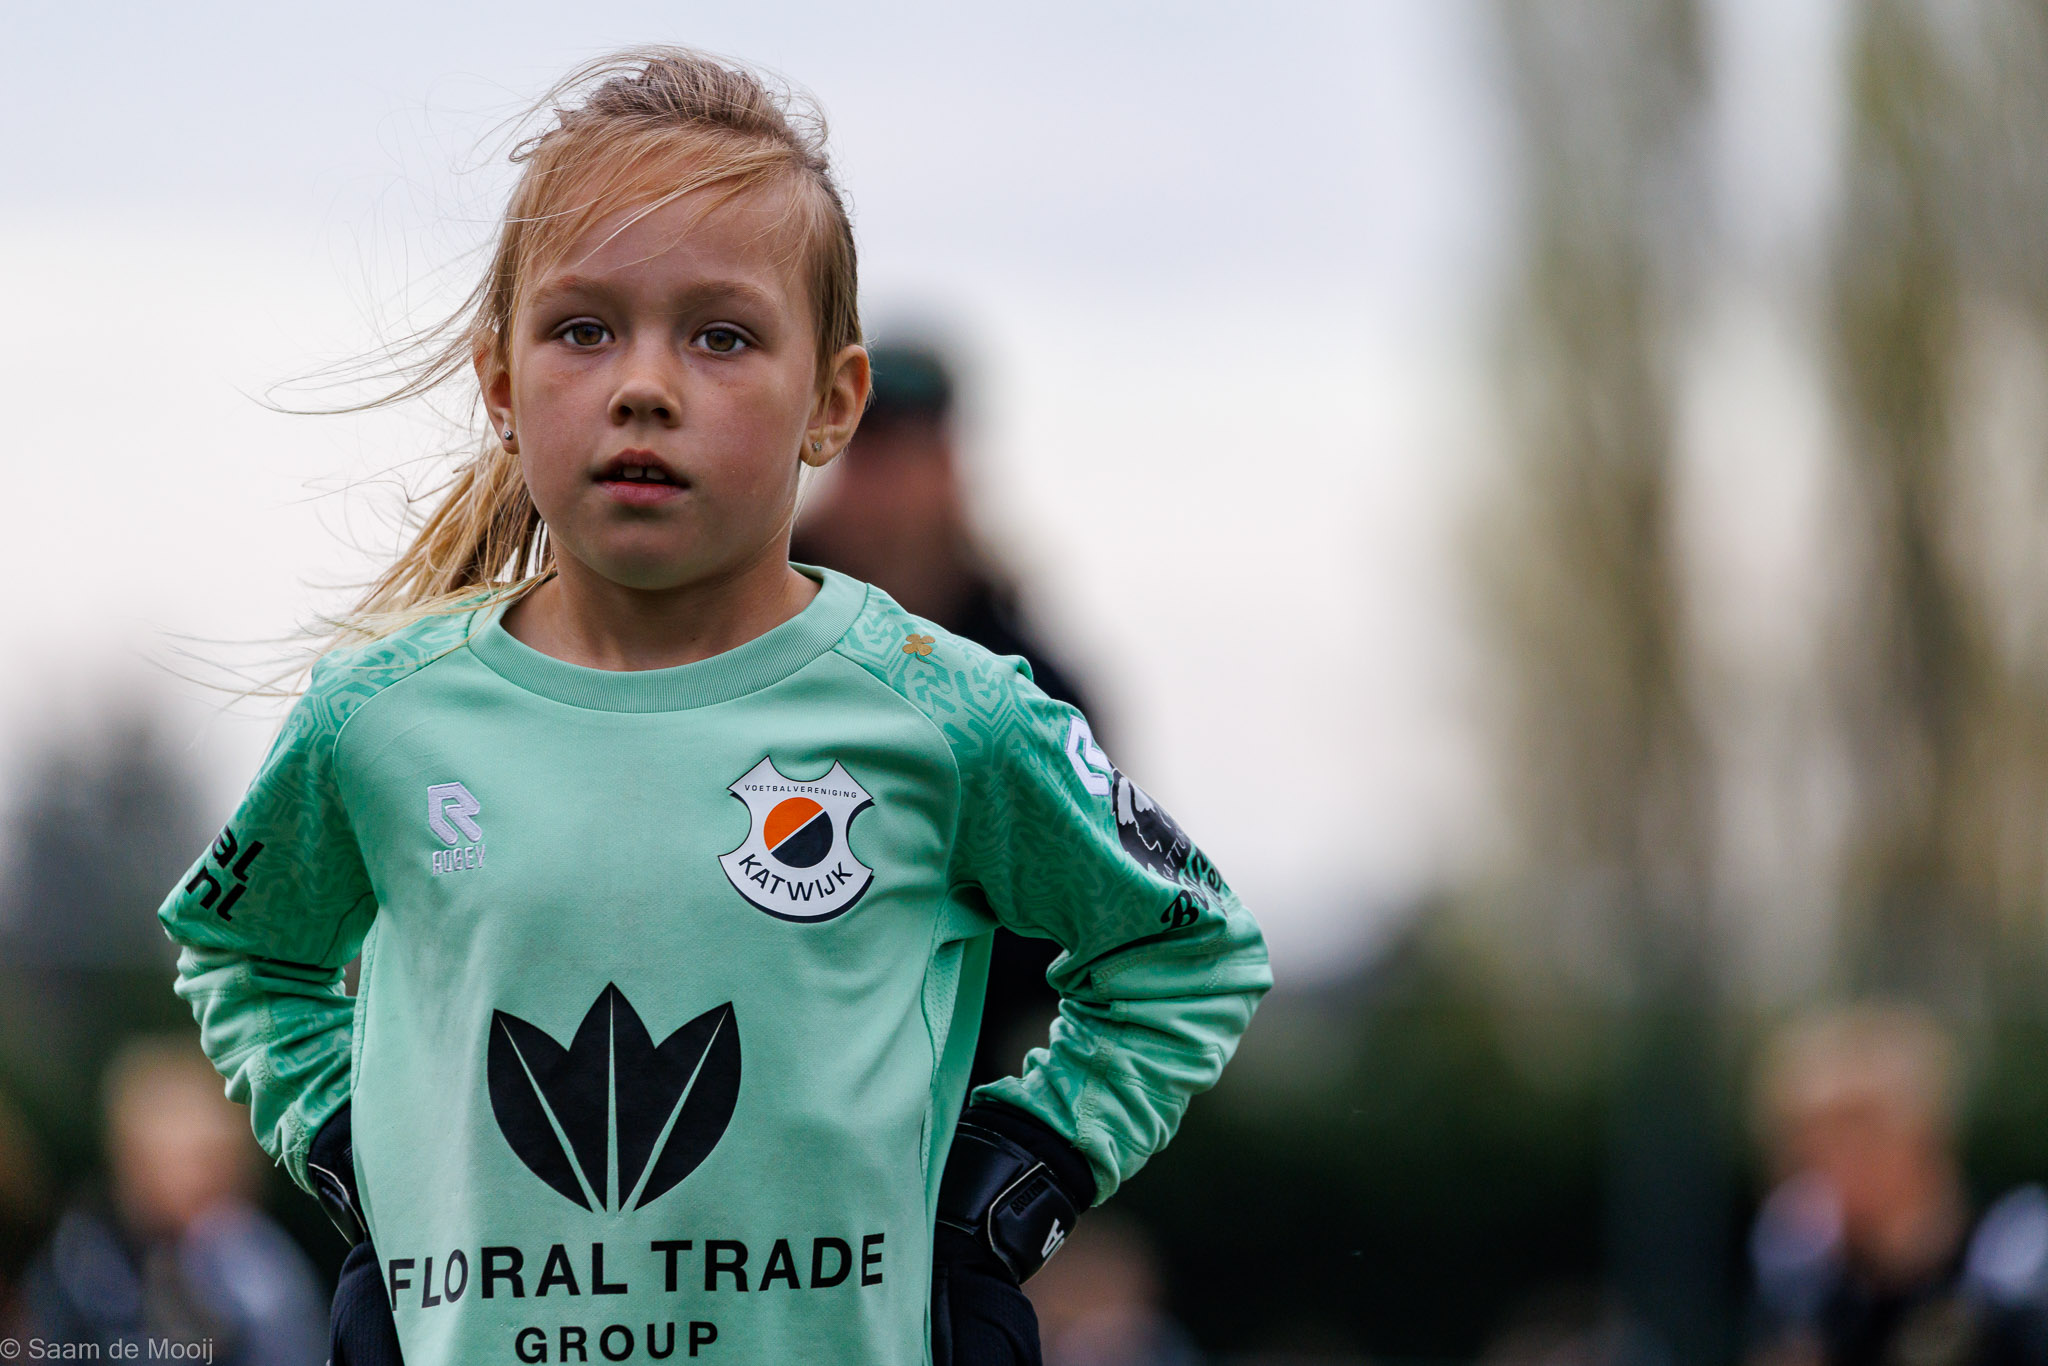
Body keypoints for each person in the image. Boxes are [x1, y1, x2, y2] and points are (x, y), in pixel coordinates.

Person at [155, 47, 1270, 1366]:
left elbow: (1187, 951)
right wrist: (355, 1151)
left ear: (831, 403)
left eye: (722, 336)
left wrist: (1014, 1182)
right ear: (500, 383)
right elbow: (242, 951)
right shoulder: (378, 716)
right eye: (582, 328)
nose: (644, 384)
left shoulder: (949, 709)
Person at [791, 340, 1095, 1089]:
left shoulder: (1033, 686)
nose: (884, 489)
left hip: (962, 1100)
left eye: (908, 454)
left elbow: (1086, 921)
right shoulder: (751, 643)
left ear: (951, 464)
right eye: (865, 455)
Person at [1747, 1006, 2048, 1366]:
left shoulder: (2014, 1265)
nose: (1825, 1159)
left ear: (1925, 1133)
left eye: (1855, 1128)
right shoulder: (1808, 1285)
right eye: (1805, 1138)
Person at [12, 1039, 326, 1365]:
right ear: (136, 1160)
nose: (219, 1179)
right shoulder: (81, 1268)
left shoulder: (250, 1258)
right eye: (200, 1160)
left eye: (231, 1157)